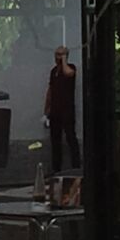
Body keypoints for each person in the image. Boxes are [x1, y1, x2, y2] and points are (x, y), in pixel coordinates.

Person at [44, 44, 80, 204]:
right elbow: (50, 90)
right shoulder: (54, 72)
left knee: (71, 137)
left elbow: (68, 73)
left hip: (67, 110)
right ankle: (56, 168)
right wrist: (46, 108)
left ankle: (76, 166)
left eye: (60, 55)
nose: (57, 57)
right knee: (55, 140)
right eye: (56, 54)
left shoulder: (70, 68)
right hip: (55, 111)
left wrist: (64, 60)